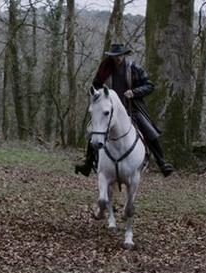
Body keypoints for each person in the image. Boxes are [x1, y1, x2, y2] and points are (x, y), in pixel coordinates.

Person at [74, 43, 175, 177]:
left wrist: (134, 92)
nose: (117, 58)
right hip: (109, 111)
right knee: (95, 131)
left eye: (120, 55)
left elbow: (149, 86)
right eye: (115, 56)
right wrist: (100, 95)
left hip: (131, 108)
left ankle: (162, 163)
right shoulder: (105, 69)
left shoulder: (133, 68)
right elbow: (95, 86)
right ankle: (88, 163)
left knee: (149, 130)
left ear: (124, 55)